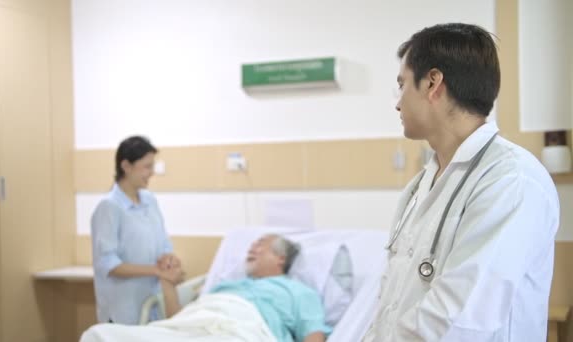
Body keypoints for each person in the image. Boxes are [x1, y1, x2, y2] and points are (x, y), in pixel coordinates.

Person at [363, 23, 560, 341]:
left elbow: (457, 321)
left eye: (402, 86)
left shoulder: (511, 181)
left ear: (432, 83)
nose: (397, 103)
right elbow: (390, 305)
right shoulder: (419, 186)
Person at [82, 234, 331, 342]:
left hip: (242, 330)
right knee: (98, 335)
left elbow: (313, 335)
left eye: (261, 246)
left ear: (280, 259)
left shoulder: (299, 292)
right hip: (193, 324)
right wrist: (167, 281)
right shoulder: (226, 286)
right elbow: (179, 318)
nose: (251, 250)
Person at [91, 135, 184, 325]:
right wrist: (156, 271)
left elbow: (163, 243)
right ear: (126, 166)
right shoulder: (109, 207)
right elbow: (109, 264)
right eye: (147, 167)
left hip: (151, 305)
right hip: (123, 309)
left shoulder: (149, 200)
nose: (151, 173)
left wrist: (169, 259)